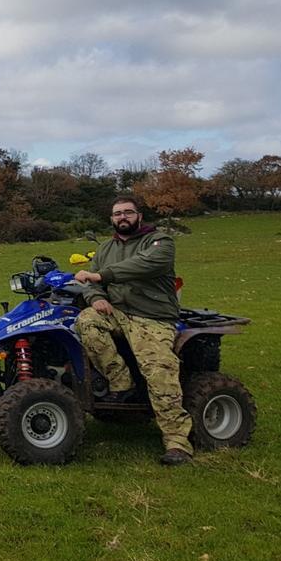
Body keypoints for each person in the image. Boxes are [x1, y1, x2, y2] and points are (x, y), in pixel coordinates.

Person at [74, 195, 194, 465]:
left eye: (128, 212)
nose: (122, 218)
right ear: (111, 219)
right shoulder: (106, 248)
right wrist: (96, 297)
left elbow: (143, 266)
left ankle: (177, 442)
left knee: (159, 368)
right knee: (86, 321)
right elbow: (91, 282)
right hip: (116, 312)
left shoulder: (160, 242)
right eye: (117, 214)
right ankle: (121, 383)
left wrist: (101, 277)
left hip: (152, 316)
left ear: (139, 216)